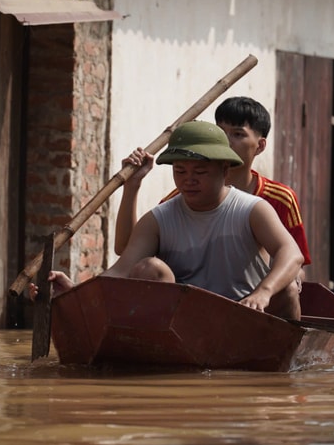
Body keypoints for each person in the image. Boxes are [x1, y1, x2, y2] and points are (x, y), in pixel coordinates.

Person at [35, 120, 304, 319]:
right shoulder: (159, 218)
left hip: (246, 314)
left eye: (200, 171)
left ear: (224, 170)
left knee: (289, 289)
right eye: (180, 171)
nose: (189, 179)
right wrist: (74, 294)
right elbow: (121, 270)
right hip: (184, 322)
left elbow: (292, 254)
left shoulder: (252, 209)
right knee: (147, 269)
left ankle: (281, 367)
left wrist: (264, 292)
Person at [114, 97, 312, 279]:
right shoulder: (184, 196)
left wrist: (273, 288)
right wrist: (132, 187)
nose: (226, 141)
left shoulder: (274, 200)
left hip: (251, 302)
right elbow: (128, 253)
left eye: (237, 134)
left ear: (259, 146)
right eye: (220, 132)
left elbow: (295, 261)